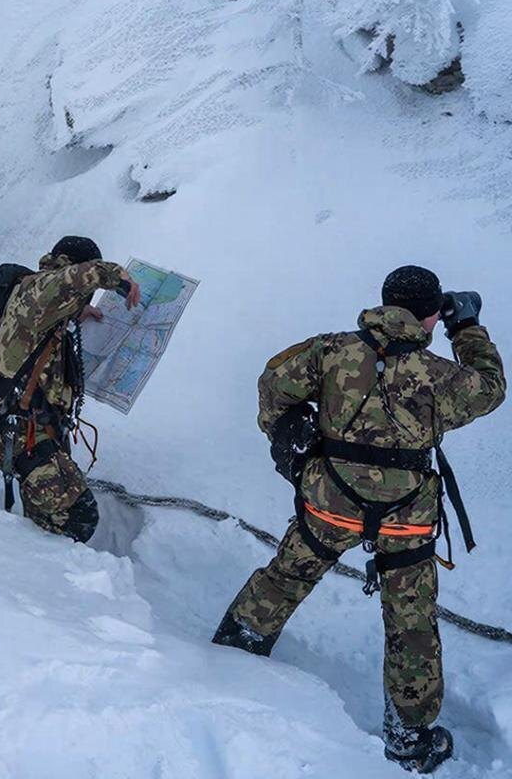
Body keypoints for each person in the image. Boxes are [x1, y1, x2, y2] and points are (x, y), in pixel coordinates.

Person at [212, 265, 505, 774]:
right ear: (432, 313)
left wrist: (288, 442)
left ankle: (232, 654)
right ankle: (409, 736)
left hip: (330, 502)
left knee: (288, 575)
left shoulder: (330, 350)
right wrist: (467, 328)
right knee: (410, 619)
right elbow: (492, 388)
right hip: (405, 518)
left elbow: (272, 384)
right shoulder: (440, 376)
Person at [0, 237, 140, 542]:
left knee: (49, 521)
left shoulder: (40, 301)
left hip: (32, 433)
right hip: (20, 432)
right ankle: (27, 568)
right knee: (79, 515)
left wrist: (77, 312)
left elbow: (42, 316)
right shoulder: (38, 288)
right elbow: (77, 277)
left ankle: (30, 566)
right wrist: (121, 277)